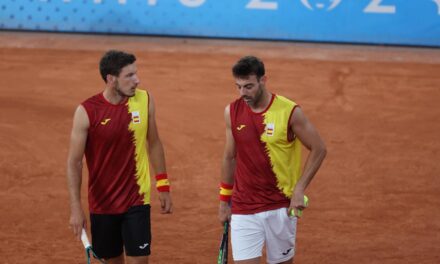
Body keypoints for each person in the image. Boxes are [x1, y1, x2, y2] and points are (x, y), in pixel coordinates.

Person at [67, 50, 172, 264]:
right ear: (111, 79)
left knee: (140, 260)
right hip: (103, 203)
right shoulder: (87, 111)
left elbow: (154, 143)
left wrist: (163, 185)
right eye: (129, 76)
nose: (137, 80)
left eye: (136, 73)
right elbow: (74, 162)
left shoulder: (145, 99)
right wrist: (76, 208)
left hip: (137, 199)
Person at [218, 56, 327, 264]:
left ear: (263, 80)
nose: (243, 93)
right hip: (244, 206)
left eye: (248, 86)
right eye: (238, 87)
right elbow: (229, 157)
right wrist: (224, 201)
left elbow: (319, 148)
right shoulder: (232, 112)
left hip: (280, 206)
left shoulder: (289, 112)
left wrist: (299, 188)